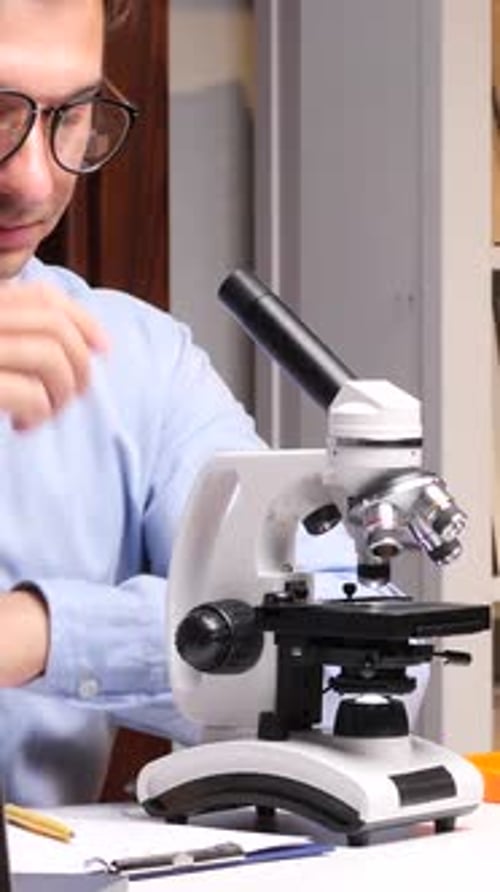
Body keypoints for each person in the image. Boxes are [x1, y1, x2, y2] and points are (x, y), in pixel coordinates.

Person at [0, 0, 426, 806]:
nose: (32, 180)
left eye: (72, 115)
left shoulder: (139, 366)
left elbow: (361, 681)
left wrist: (43, 633)